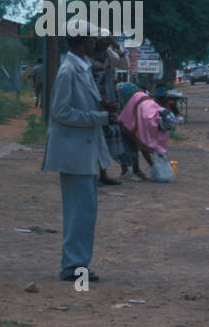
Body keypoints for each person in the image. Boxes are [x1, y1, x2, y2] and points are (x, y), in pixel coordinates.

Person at [41, 30, 114, 282]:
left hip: (82, 151)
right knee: (79, 213)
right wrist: (99, 117)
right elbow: (61, 112)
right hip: (74, 152)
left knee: (83, 212)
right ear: (83, 42)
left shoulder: (79, 68)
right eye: (92, 40)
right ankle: (73, 265)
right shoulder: (68, 71)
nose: (95, 44)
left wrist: (100, 108)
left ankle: (76, 263)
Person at [117, 83, 170, 178]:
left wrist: (161, 160)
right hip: (130, 104)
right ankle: (125, 169)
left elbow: (157, 144)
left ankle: (135, 169)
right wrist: (153, 166)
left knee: (135, 141)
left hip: (138, 103)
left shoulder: (163, 121)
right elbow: (143, 143)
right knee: (127, 140)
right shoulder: (149, 119)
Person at [91, 36, 123, 186]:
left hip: (109, 100)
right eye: (103, 40)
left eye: (108, 41)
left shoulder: (109, 55)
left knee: (105, 139)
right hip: (95, 103)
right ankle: (94, 174)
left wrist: (118, 48)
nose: (106, 43)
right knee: (95, 138)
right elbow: (91, 84)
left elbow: (125, 65)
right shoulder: (88, 58)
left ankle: (103, 173)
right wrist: (104, 101)